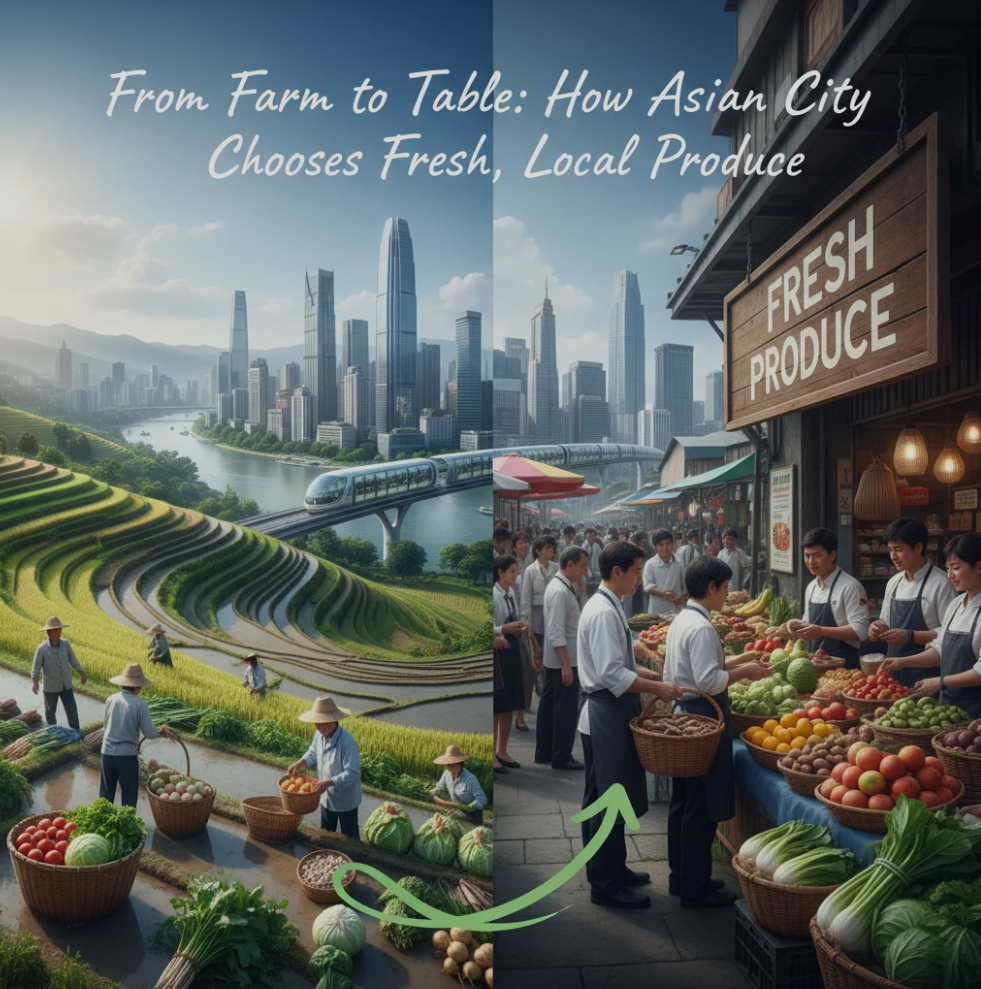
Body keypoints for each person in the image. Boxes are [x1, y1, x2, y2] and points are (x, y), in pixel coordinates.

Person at [578, 540, 685, 909]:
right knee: (609, 799)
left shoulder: (609, 604)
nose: (641, 578)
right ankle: (605, 884)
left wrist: (654, 677)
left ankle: (610, 868)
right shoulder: (605, 612)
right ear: (618, 572)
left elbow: (620, 666)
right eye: (637, 571)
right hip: (606, 711)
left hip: (607, 710)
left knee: (604, 795)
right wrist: (658, 686)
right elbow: (612, 675)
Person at [664, 556, 770, 907]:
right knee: (700, 807)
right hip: (704, 719)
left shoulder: (684, 618)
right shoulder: (702, 627)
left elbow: (695, 669)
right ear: (711, 588)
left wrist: (742, 661)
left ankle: (681, 878)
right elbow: (708, 680)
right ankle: (695, 889)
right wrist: (746, 673)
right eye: (725, 588)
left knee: (683, 801)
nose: (727, 594)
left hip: (685, 718)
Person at [884, 533, 981, 718]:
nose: (950, 575)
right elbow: (940, 650)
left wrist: (941, 682)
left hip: (976, 713)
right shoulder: (956, 604)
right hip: (948, 710)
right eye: (947, 568)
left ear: (978, 567)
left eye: (956, 567)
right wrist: (902, 662)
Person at [870, 518, 956, 688]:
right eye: (890, 550)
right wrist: (876, 627)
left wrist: (909, 636)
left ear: (918, 547)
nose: (893, 556)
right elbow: (885, 621)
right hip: (893, 676)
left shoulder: (941, 583)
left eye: (899, 550)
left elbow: (949, 635)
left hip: (927, 677)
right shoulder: (894, 582)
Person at [537, 546, 588, 771]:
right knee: (564, 709)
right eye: (583, 566)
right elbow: (557, 631)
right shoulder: (559, 591)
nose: (585, 571)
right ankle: (561, 755)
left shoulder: (562, 587)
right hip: (563, 660)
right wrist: (566, 664)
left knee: (549, 706)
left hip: (556, 659)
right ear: (570, 565)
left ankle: (545, 751)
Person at [287, 695, 362, 838]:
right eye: (317, 723)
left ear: (333, 721)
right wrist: (300, 762)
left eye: (324, 723)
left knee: (350, 837)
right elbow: (313, 753)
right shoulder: (319, 735)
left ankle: (353, 858)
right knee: (326, 835)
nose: (320, 727)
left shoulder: (348, 742)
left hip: (346, 800)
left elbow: (352, 773)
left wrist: (330, 782)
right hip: (325, 795)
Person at [794, 527, 869, 668]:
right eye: (807, 555)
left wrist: (821, 631)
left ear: (832, 555)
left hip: (845, 668)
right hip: (814, 666)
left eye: (817, 555)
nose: (811, 561)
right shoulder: (811, 587)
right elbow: (808, 622)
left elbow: (861, 631)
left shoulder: (851, 587)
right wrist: (793, 627)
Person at [101, 663, 173, 807]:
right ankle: (127, 825)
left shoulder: (111, 699)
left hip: (107, 753)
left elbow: (105, 726)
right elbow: (150, 733)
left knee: (106, 792)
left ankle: (101, 822)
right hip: (126, 756)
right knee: (128, 792)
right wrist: (162, 733)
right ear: (138, 687)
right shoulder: (140, 704)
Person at [493, 555, 529, 773]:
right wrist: (504, 630)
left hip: (512, 649)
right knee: (497, 708)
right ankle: (493, 756)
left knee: (509, 705)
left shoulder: (510, 593)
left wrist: (519, 626)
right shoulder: (494, 595)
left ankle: (502, 751)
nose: (516, 575)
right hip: (499, 655)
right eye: (513, 571)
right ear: (501, 573)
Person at [518, 535, 556, 727]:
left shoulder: (556, 568)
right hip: (536, 615)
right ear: (538, 550)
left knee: (552, 654)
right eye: (546, 548)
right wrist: (527, 623)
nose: (550, 551)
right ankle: (530, 697)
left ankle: (548, 689)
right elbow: (526, 598)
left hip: (553, 615)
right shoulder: (530, 571)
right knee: (536, 655)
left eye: (552, 548)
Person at [31, 616, 86, 730]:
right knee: (50, 714)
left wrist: (81, 672)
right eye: (56, 630)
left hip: (66, 685)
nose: (60, 631)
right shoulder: (42, 649)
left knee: (72, 711)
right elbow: (36, 667)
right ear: (49, 633)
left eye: (60, 629)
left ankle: (76, 731)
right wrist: (34, 682)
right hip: (50, 688)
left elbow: (73, 660)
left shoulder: (65, 644)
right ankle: (52, 734)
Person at [430, 745, 488, 825]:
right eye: (447, 763)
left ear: (458, 764)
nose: (447, 766)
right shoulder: (447, 774)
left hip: (473, 814)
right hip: (458, 811)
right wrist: (434, 791)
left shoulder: (470, 779)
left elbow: (482, 800)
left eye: (450, 763)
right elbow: (440, 786)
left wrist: (469, 807)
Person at [642, 529, 687, 617]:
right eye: (661, 545)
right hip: (657, 611)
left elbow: (684, 584)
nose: (665, 548)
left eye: (668, 544)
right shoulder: (650, 564)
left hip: (676, 610)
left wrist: (682, 598)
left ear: (672, 544)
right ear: (655, 547)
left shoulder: (679, 562)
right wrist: (662, 593)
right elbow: (647, 586)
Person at [583, 528, 602, 597]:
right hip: (586, 576)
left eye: (592, 536)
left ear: (595, 537)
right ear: (586, 537)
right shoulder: (583, 547)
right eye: (589, 536)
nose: (591, 538)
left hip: (597, 576)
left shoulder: (597, 546)